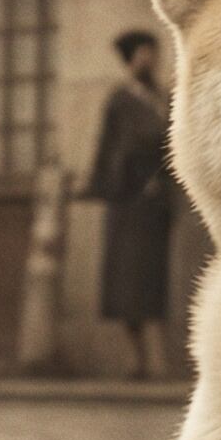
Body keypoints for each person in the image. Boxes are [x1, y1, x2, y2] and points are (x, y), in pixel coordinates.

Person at [87, 29, 175, 379]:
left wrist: (163, 183)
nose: (149, 60)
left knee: (155, 280)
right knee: (127, 281)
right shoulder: (121, 100)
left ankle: (160, 358)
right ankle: (135, 359)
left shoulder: (163, 98)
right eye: (143, 53)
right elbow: (109, 150)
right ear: (131, 59)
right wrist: (124, 185)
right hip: (128, 202)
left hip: (158, 205)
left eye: (152, 52)